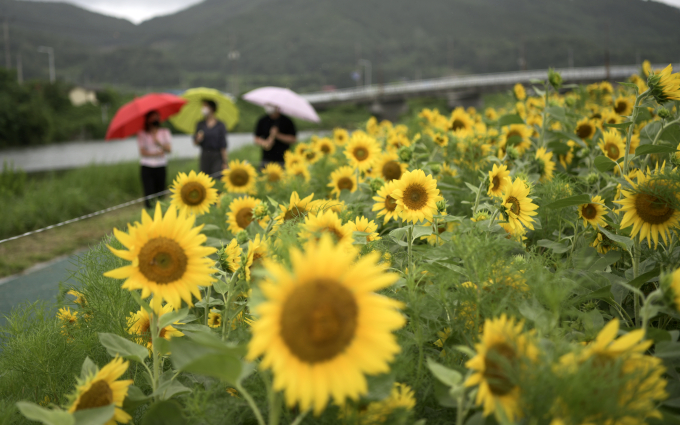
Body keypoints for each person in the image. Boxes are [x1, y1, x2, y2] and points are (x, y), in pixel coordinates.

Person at [138, 110, 172, 208]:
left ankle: (160, 211)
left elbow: (169, 149)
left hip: (161, 165)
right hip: (147, 165)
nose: (154, 120)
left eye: (156, 117)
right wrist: (156, 153)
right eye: (152, 117)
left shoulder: (164, 132)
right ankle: (150, 212)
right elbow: (142, 152)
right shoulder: (142, 134)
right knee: (149, 192)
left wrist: (158, 142)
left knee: (161, 191)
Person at [193, 99, 228, 177]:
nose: (203, 108)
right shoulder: (200, 124)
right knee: (205, 178)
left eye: (205, 106)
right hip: (205, 154)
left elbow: (223, 145)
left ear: (212, 108)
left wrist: (225, 162)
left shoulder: (220, 125)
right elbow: (195, 142)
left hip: (217, 155)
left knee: (217, 177)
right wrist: (199, 138)